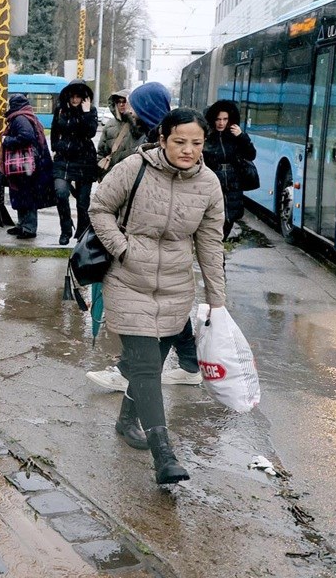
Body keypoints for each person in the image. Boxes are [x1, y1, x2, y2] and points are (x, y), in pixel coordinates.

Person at [88, 107, 226, 485]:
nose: (187, 149)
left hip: (176, 286)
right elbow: (99, 208)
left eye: (195, 143)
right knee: (146, 363)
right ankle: (163, 454)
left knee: (147, 363)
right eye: (179, 141)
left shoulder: (208, 184)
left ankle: (126, 420)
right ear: (162, 139)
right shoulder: (134, 168)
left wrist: (218, 300)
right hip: (129, 279)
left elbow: (210, 243)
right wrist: (124, 249)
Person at [86, 81, 203, 392]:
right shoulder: (146, 134)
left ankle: (129, 374)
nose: (131, 111)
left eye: (136, 106)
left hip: (152, 242)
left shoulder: (163, 143)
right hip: (143, 242)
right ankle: (188, 365)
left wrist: (125, 249)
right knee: (165, 311)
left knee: (149, 313)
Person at [51, 80, 99, 246]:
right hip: (63, 158)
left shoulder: (90, 111)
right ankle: (66, 230)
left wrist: (85, 113)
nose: (75, 99)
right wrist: (56, 147)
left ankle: (82, 231)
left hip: (85, 159)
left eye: (79, 96)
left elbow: (91, 132)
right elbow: (55, 130)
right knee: (61, 193)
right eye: (72, 95)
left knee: (83, 201)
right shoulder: (61, 110)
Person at [1, 94, 56, 239]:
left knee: (26, 194)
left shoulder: (19, 118)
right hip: (29, 164)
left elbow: (26, 136)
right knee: (21, 193)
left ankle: (29, 228)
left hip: (26, 164)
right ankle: (23, 225)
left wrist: (7, 140)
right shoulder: (26, 115)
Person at [203, 100, 257, 239]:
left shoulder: (235, 136)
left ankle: (220, 251)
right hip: (214, 181)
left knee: (229, 219)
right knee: (215, 219)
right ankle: (217, 256)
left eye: (225, 119)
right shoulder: (208, 137)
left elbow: (251, 155)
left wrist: (242, 137)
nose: (221, 123)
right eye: (218, 119)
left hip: (233, 183)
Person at [98, 90, 144, 176]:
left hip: (130, 173)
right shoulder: (109, 125)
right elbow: (101, 151)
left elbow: (138, 135)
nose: (121, 104)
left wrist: (129, 116)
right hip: (111, 174)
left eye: (124, 101)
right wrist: (100, 173)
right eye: (118, 102)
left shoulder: (138, 123)